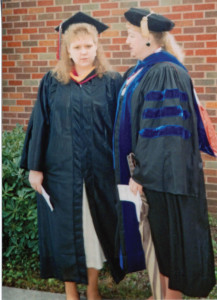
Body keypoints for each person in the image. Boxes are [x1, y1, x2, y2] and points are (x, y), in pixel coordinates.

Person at [20, 12, 125, 300]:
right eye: (76, 46)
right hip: (60, 173)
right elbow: (40, 125)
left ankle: (92, 288)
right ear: (67, 49)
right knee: (65, 232)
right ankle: (70, 292)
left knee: (93, 233)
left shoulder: (112, 82)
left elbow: (121, 130)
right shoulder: (52, 82)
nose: (83, 52)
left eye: (88, 46)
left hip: (98, 171)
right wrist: (35, 168)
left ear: (97, 47)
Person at [113, 7, 216, 300]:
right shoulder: (142, 70)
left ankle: (170, 298)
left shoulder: (165, 72)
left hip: (165, 178)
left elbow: (162, 129)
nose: (126, 41)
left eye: (131, 35)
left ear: (149, 39)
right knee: (157, 239)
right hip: (156, 177)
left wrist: (141, 173)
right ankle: (158, 294)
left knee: (170, 241)